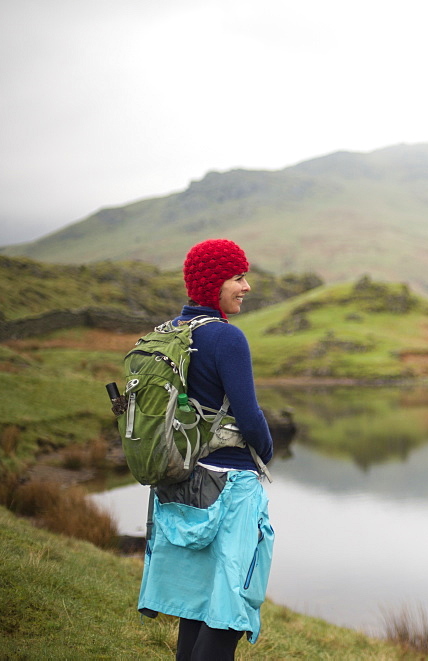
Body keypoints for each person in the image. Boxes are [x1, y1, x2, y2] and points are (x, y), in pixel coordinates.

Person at [136, 239, 275, 660]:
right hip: (230, 489)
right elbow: (249, 417)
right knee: (229, 612)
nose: (246, 286)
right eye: (237, 277)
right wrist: (266, 450)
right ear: (213, 282)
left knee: (196, 609)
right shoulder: (226, 338)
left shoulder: (173, 334)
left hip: (181, 483)